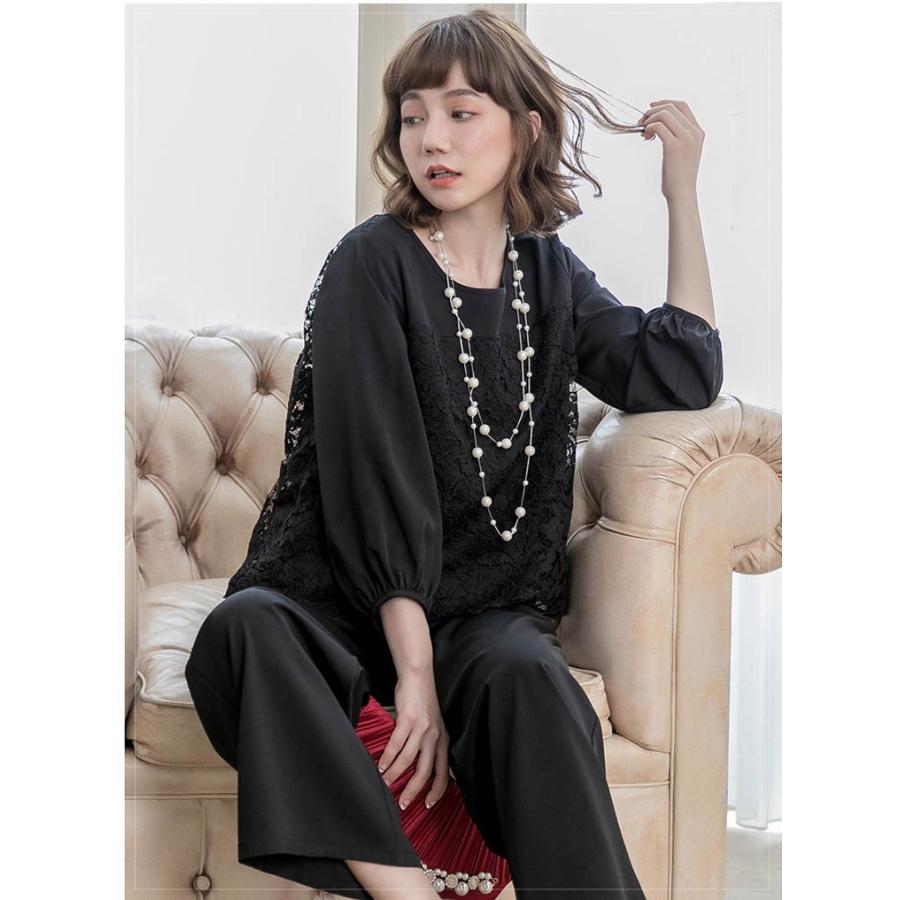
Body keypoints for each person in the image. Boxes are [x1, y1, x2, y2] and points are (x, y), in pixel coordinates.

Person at [185, 9, 722, 900]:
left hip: (481, 612)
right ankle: (407, 892)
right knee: (243, 632)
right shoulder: (370, 263)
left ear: (527, 129)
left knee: (529, 675)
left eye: (462, 112)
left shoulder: (547, 274)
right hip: (340, 604)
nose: (431, 138)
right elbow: (376, 481)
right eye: (413, 116)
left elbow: (680, 370)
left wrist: (682, 193)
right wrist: (415, 678)